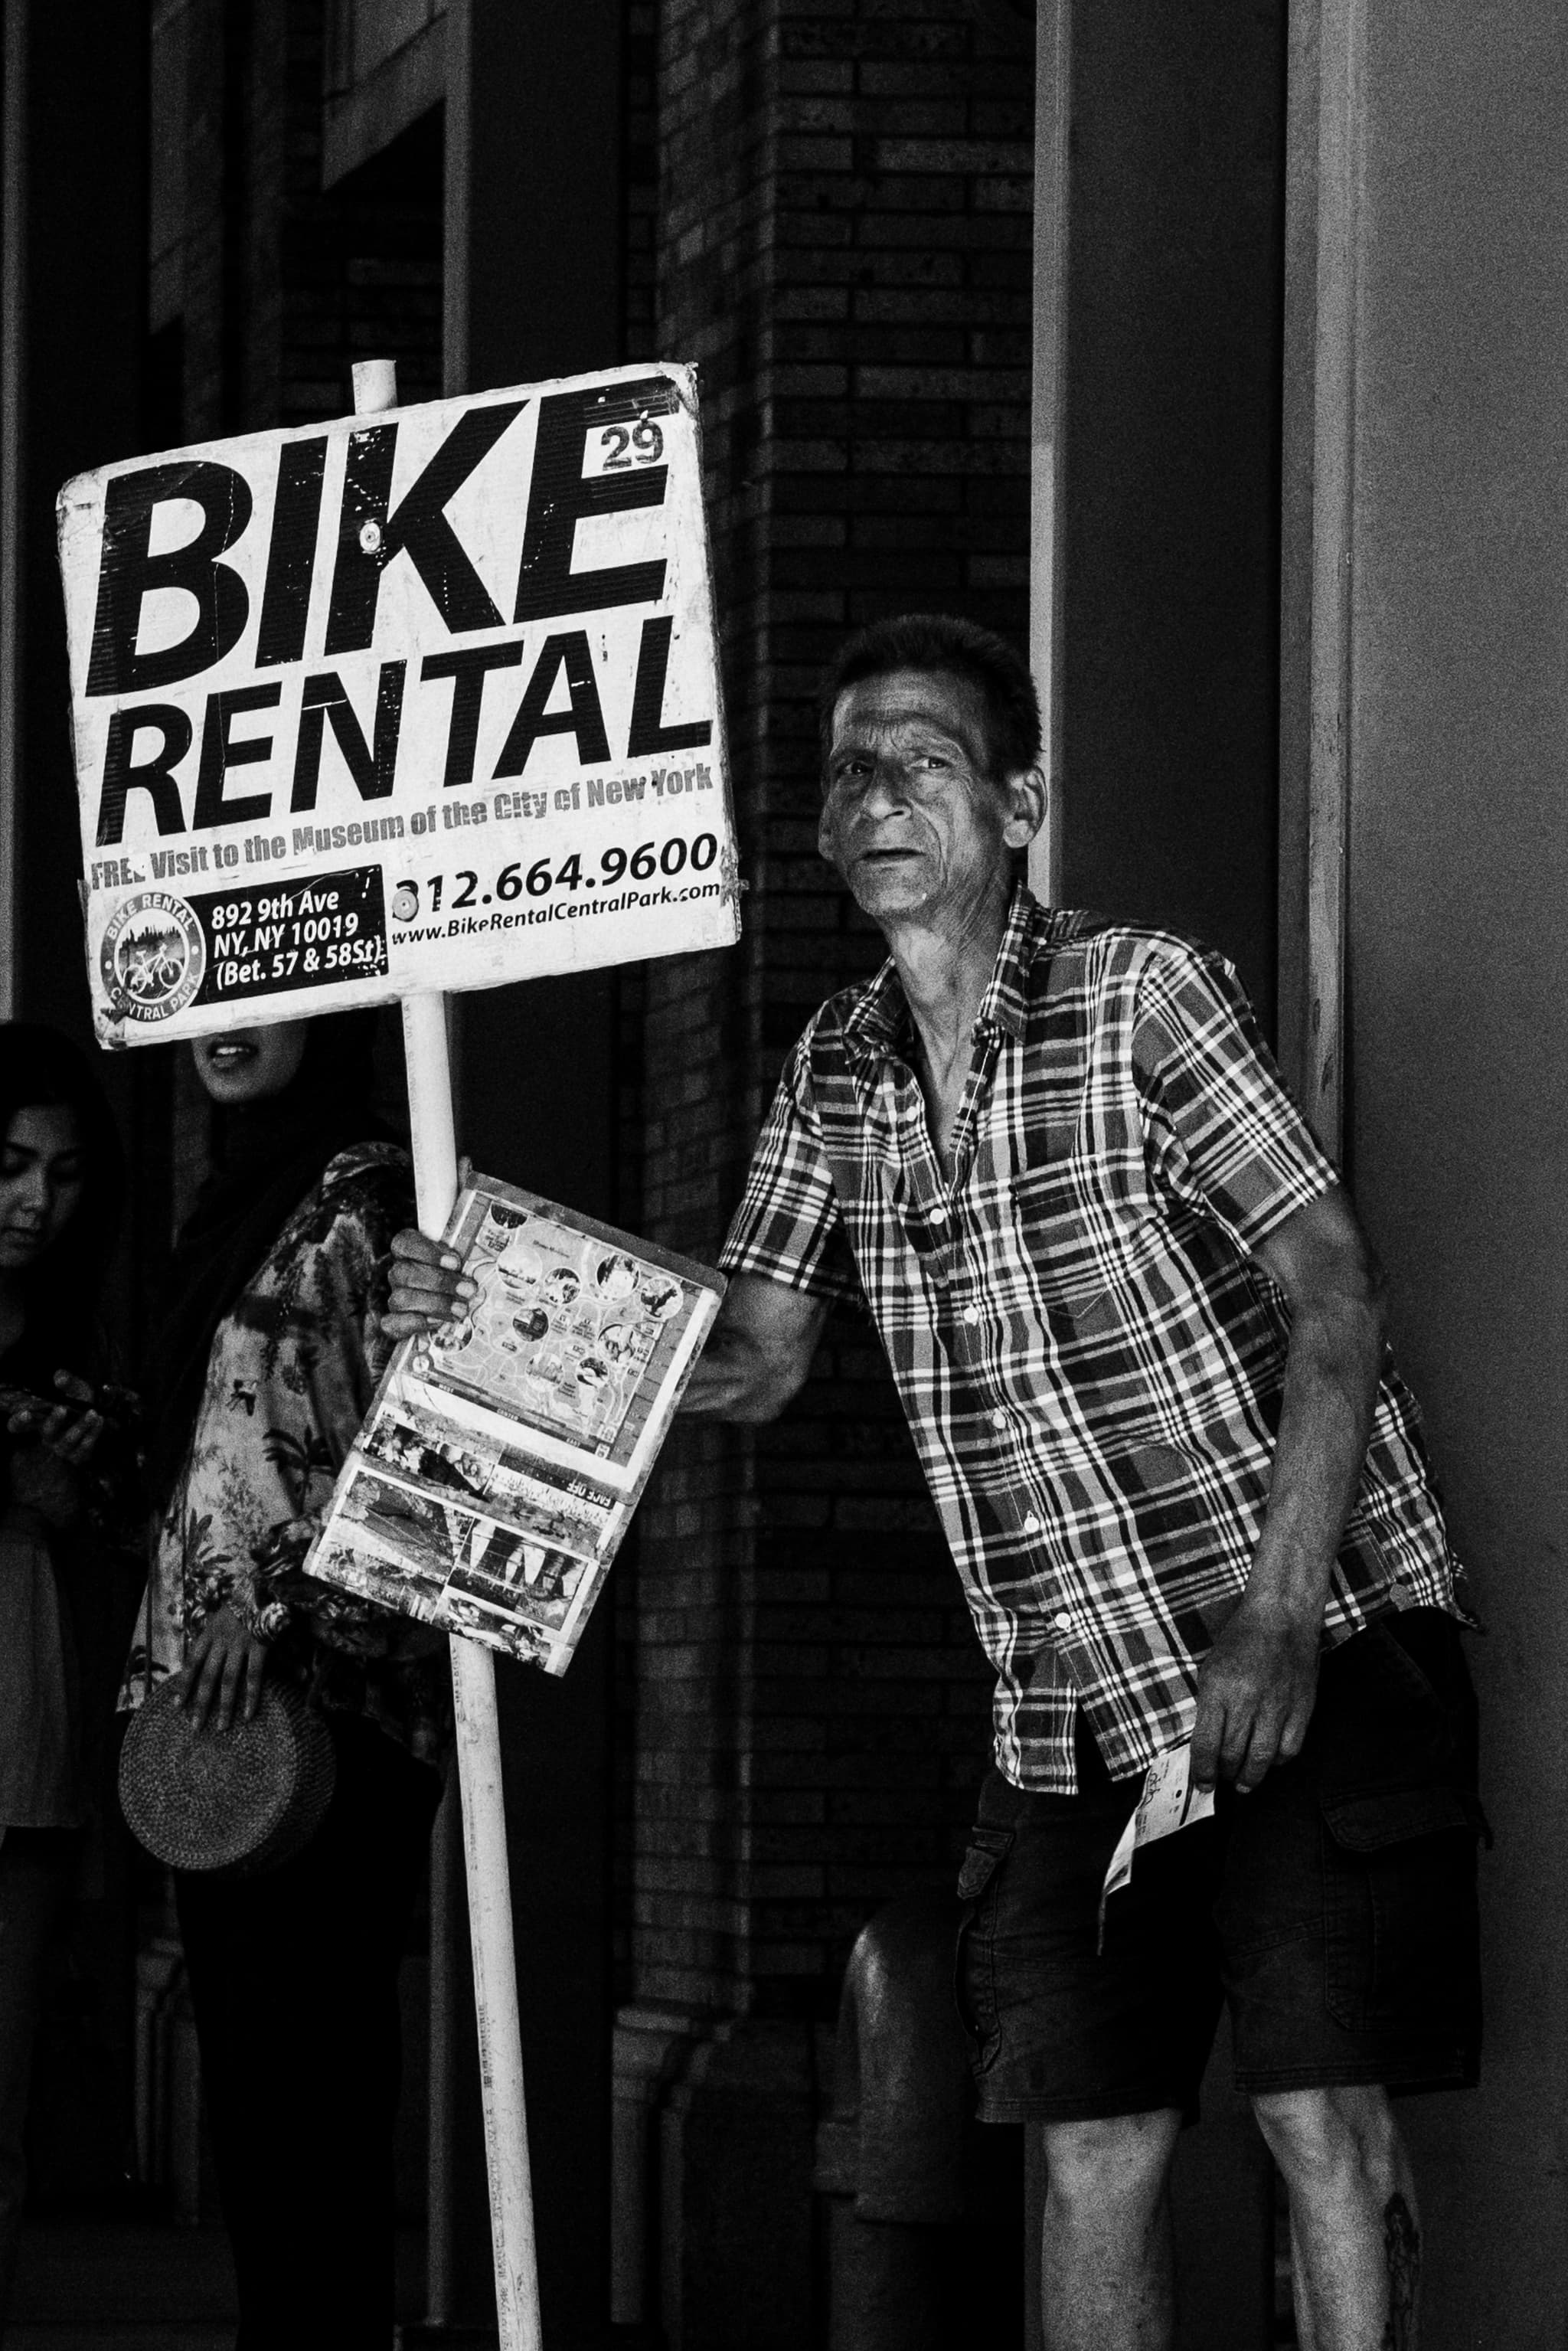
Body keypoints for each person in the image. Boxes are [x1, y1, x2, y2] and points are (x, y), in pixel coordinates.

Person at [390, 613, 1483, 2351]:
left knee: (1316, 2123)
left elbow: (1331, 1282)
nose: (875, 795)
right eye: (846, 769)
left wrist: (1276, 1616)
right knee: (1090, 2137)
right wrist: (495, 1316)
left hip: (1305, 1642)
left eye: (924, 760)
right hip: (1065, 1709)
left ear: (1021, 798)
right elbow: (746, 1356)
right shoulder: (834, 1068)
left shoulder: (1143, 993)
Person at [121, 1014, 449, 2351]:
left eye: (274, 983)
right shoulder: (224, 1197)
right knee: (257, 2111)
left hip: (336, 1716)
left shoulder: (372, 1198)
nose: (234, 1023)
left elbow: (427, 1461)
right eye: (218, 990)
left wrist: (271, 1599)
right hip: (206, 1724)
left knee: (315, 2106)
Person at [0, 1024, 126, 2335]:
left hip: (22, 1759)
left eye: (66, 1172)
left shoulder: (72, 1334)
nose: (39, 1201)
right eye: (12, 1166)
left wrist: (83, 1477)